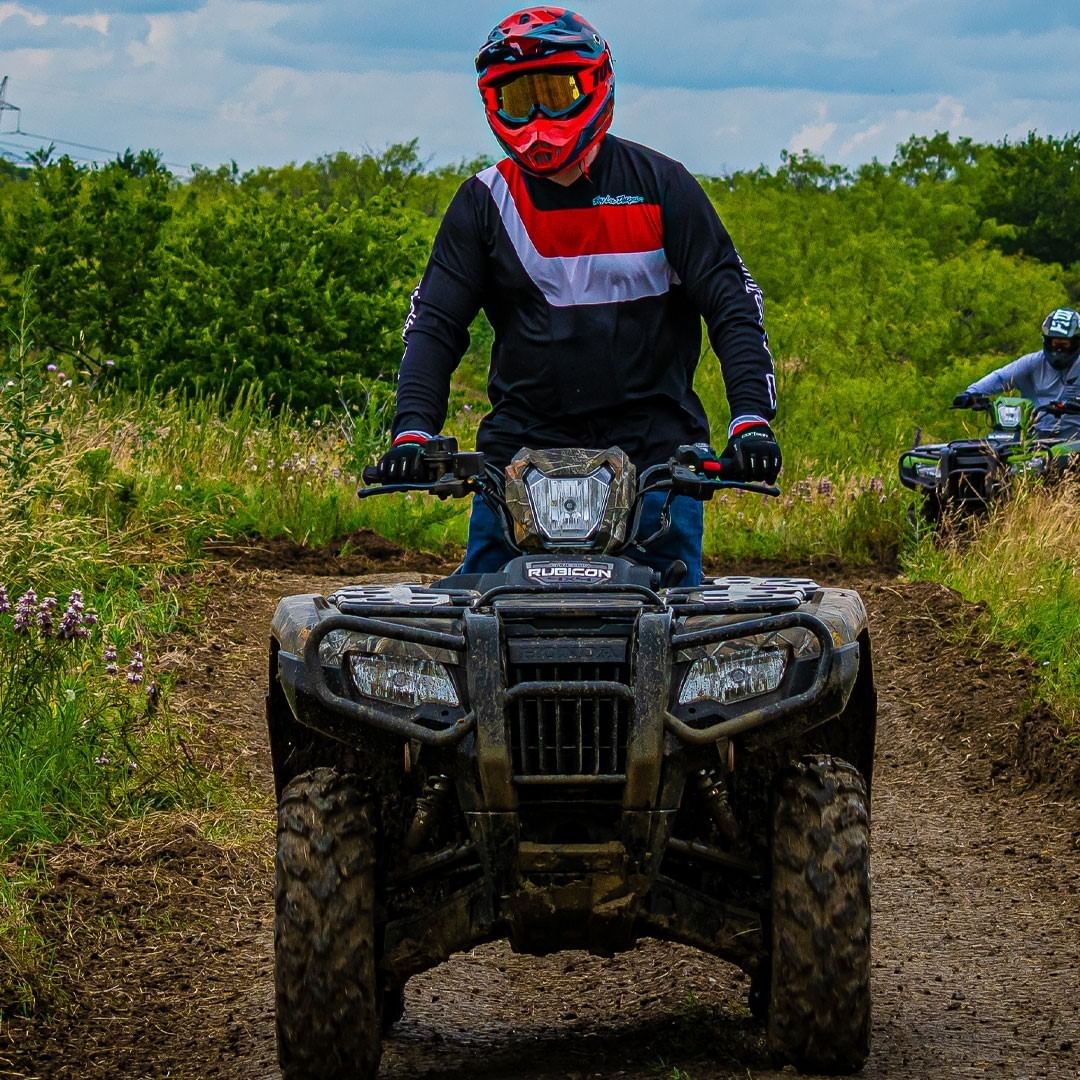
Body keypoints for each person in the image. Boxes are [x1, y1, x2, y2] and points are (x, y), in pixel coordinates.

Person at [376, 6, 780, 585]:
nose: (539, 115)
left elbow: (732, 304)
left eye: (555, 92)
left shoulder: (664, 187)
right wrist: (413, 430)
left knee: (678, 635)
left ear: (594, 85)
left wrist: (751, 421)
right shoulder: (483, 203)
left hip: (657, 461)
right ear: (494, 106)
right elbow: (435, 324)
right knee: (475, 623)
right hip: (517, 458)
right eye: (520, 99)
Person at [953, 307, 1080, 438]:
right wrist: (970, 393)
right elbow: (1001, 378)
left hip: (1074, 436)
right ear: (1046, 341)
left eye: (1064, 345)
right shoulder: (1032, 362)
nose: (1058, 350)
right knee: (995, 448)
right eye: (1054, 344)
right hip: (1033, 432)